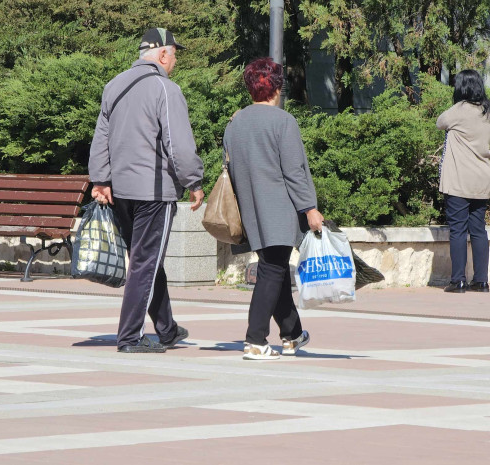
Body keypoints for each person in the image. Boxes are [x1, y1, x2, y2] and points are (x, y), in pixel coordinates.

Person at [89, 28, 205, 352]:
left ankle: (167, 329)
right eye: (174, 55)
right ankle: (130, 337)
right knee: (145, 262)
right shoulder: (165, 89)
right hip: (154, 192)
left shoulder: (114, 86)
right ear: (163, 55)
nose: (175, 62)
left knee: (145, 259)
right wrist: (193, 182)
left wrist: (100, 180)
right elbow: (178, 145)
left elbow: (101, 140)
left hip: (121, 192)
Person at [223, 57, 324, 360]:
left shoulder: (235, 122)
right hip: (279, 208)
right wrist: (310, 208)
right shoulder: (284, 122)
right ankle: (255, 340)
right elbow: (294, 171)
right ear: (277, 88)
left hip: (250, 208)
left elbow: (231, 165)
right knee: (272, 270)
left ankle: (292, 334)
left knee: (275, 270)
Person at [437, 69, 490, 293]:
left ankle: (458, 280)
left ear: (461, 87)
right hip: (481, 177)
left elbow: (439, 122)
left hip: (459, 179)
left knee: (458, 230)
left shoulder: (459, 109)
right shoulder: (488, 110)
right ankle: (481, 281)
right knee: (479, 229)